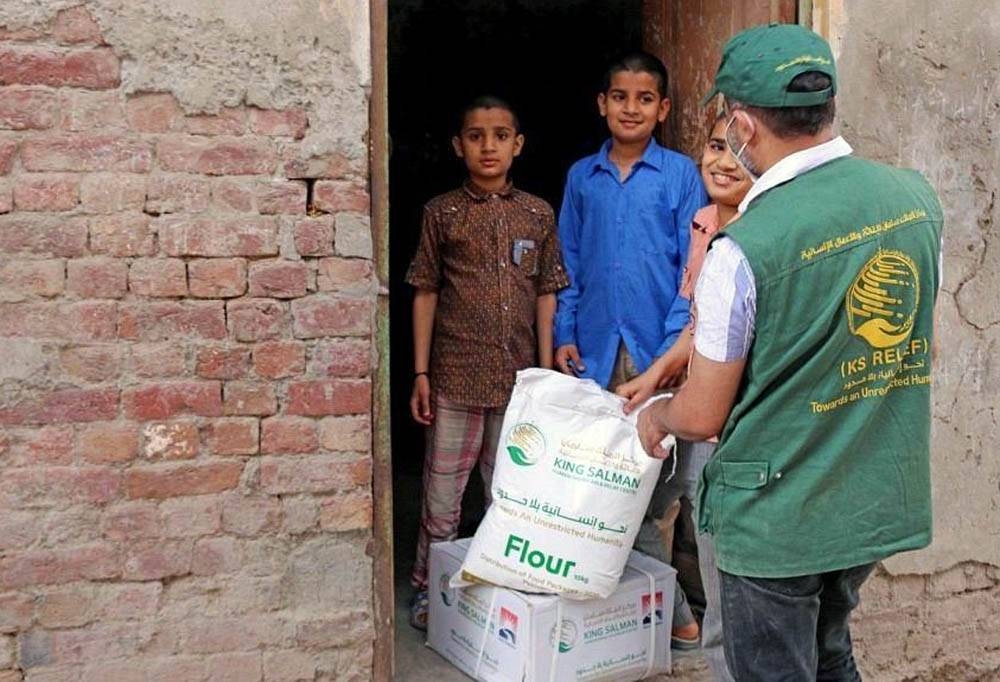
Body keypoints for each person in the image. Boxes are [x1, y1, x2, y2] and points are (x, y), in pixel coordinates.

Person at [636, 24, 943, 680]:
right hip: (869, 502)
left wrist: (656, 417)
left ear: (744, 126)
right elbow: (919, 344)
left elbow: (704, 417)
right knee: (830, 653)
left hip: (777, 521)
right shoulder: (916, 201)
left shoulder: (745, 248)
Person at [553, 51, 708, 647]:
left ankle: (678, 611)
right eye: (621, 97)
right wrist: (565, 332)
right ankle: (625, 613)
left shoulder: (680, 175)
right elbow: (566, 263)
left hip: (659, 352)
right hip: (595, 349)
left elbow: (690, 272)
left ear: (663, 108)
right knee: (606, 481)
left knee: (663, 487)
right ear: (602, 104)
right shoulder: (580, 178)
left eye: (645, 99)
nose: (632, 108)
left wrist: (673, 350)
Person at [405, 95, 569, 630]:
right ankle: (431, 590)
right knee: (441, 499)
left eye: (500, 135)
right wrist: (421, 372)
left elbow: (547, 292)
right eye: (476, 135)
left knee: (510, 498)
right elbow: (425, 291)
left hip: (519, 383)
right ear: (459, 146)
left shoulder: (538, 213)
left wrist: (544, 374)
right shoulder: (441, 213)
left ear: (518, 145)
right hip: (454, 378)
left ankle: (499, 589)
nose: (488, 145)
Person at [617, 112, 752, 680]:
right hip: (691, 403)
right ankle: (678, 619)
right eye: (717, 146)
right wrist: (657, 376)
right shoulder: (703, 222)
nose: (724, 162)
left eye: (741, 153)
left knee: (723, 557)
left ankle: (716, 652)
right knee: (641, 504)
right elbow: (701, 320)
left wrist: (673, 409)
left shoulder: (759, 233)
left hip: (727, 422)